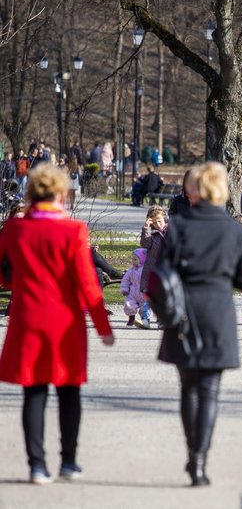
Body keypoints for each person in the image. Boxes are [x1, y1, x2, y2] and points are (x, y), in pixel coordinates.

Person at [0, 164, 115, 484]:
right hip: (65, 323)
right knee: (68, 391)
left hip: (27, 319)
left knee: (33, 392)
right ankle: (69, 461)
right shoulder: (74, 230)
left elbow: (2, 273)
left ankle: (36, 465)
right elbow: (88, 284)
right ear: (62, 193)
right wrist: (104, 327)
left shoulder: (13, 228)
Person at [157, 162, 242, 487]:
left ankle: (192, 450)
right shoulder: (235, 231)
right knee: (210, 391)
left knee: (188, 387)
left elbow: (160, 274)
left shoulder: (178, 227)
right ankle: (199, 459)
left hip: (183, 312)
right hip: (217, 312)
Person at [138, 206, 168, 329]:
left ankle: (161, 320)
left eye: (159, 221)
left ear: (164, 219)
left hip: (166, 269)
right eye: (154, 222)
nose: (158, 224)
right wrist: (146, 228)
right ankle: (145, 319)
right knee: (147, 296)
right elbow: (145, 244)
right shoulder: (151, 234)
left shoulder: (171, 231)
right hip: (151, 269)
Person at [121, 248, 148, 327]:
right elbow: (125, 280)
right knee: (129, 304)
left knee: (144, 306)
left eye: (135, 259)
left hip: (143, 291)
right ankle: (131, 318)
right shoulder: (131, 270)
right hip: (132, 291)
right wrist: (124, 289)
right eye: (132, 259)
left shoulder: (145, 270)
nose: (133, 261)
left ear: (142, 259)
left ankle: (144, 319)